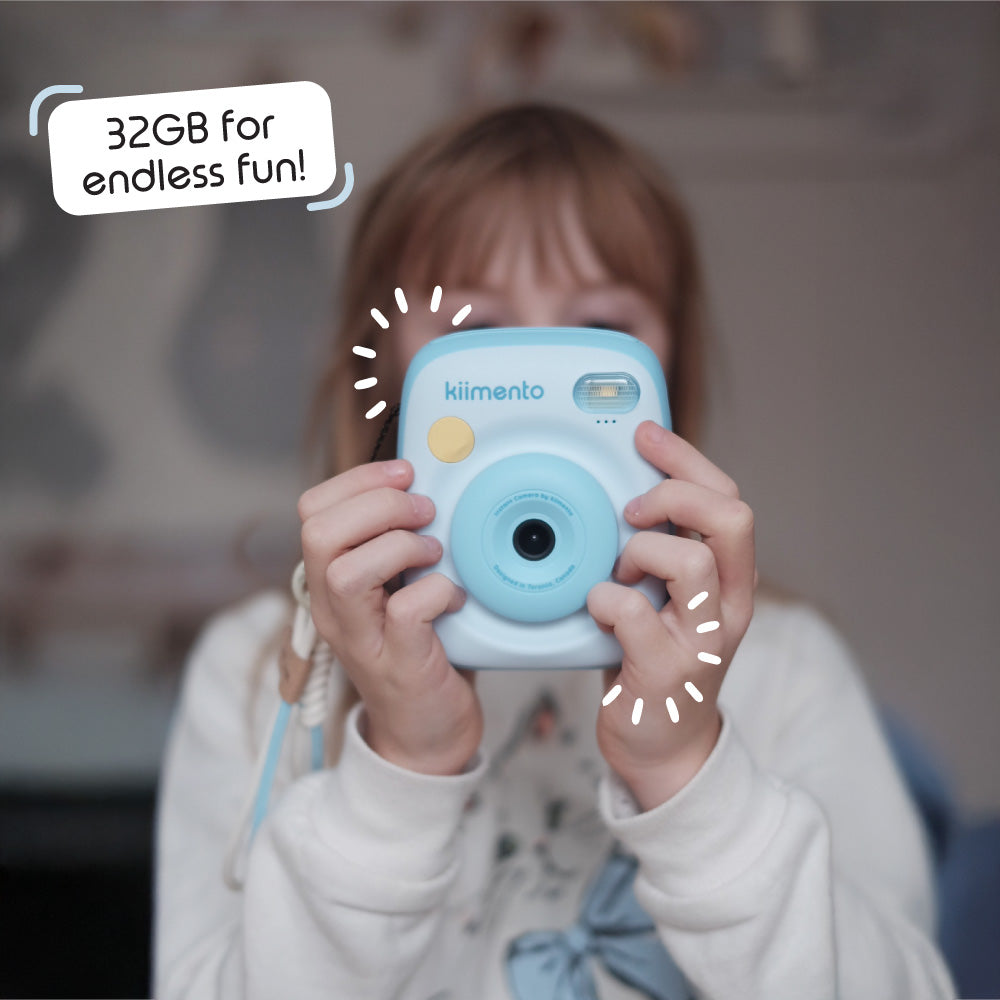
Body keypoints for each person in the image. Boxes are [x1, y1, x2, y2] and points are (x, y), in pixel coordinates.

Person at [154, 102, 957, 1000]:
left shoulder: (781, 663)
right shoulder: (263, 673)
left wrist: (687, 773)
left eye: (601, 330)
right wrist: (400, 766)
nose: (536, 369)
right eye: (472, 332)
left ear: (668, 374)